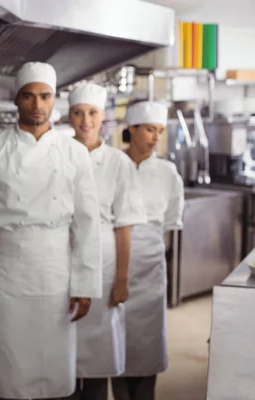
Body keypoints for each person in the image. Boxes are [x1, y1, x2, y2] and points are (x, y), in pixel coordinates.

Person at [0, 61, 103, 400]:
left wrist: (84, 282)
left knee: (54, 358)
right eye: (29, 96)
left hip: (57, 263)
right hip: (10, 263)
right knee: (11, 361)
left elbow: (87, 220)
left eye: (44, 96)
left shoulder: (74, 153)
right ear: (16, 99)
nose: (37, 104)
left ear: (54, 101)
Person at [67, 83, 146, 400]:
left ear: (103, 117)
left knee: (99, 352)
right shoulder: (59, 153)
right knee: (64, 352)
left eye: (92, 113)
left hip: (105, 262)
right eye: (78, 113)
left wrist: (122, 279)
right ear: (69, 116)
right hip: (63, 258)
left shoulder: (118, 162)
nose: (86, 120)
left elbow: (124, 225)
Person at [111, 101, 185, 400]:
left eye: (160, 131)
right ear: (131, 129)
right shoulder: (113, 165)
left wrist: (151, 250)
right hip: (115, 263)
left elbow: (170, 222)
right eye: (150, 129)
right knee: (117, 340)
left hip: (151, 266)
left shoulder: (169, 173)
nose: (156, 137)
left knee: (149, 340)